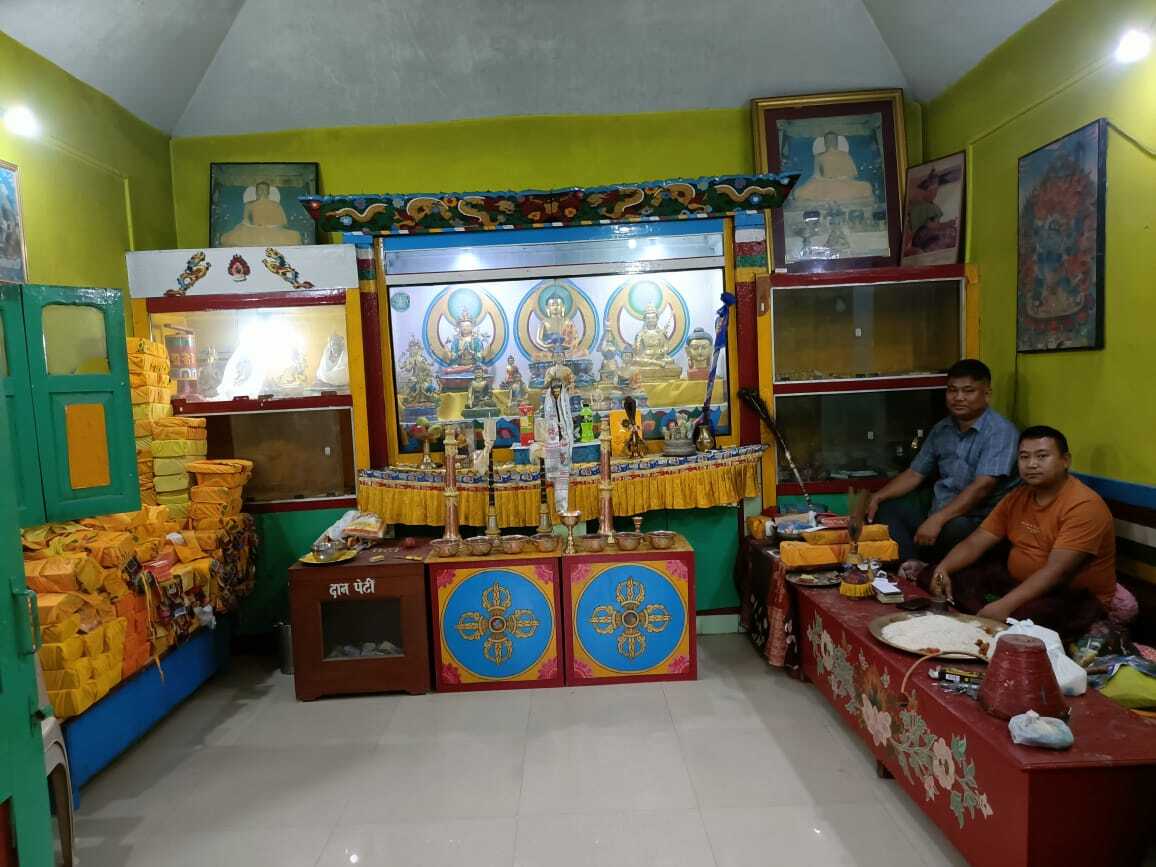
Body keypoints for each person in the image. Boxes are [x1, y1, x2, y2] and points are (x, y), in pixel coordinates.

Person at [924, 426, 1115, 638]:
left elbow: (1057, 572)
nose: (1031, 464)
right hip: (1019, 584)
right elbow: (976, 541)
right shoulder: (1018, 496)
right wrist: (943, 569)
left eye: (1042, 456)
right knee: (938, 576)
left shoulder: (1084, 506)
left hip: (1070, 597)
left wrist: (1004, 606)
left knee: (1023, 620)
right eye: (1024, 457)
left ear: (1065, 461)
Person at [868, 359, 1019, 561]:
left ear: (987, 394)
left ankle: (925, 562)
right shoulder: (942, 429)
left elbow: (982, 487)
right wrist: (877, 497)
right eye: (952, 390)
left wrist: (938, 520)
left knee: (955, 527)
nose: (959, 398)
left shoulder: (1000, 432)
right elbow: (914, 474)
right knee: (887, 508)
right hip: (939, 511)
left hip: (978, 520)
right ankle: (910, 565)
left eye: (968, 391)